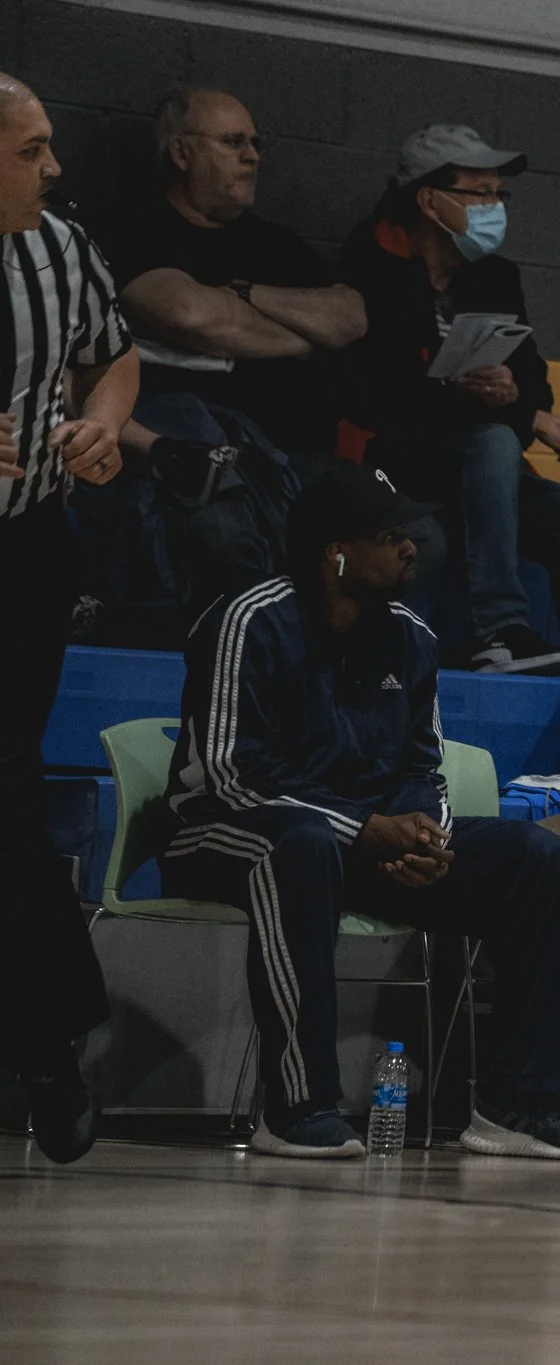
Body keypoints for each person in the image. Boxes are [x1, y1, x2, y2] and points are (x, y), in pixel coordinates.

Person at [159, 461, 560, 1160]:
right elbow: (226, 772)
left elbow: (418, 765)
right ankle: (297, 1106)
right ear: (335, 553)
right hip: (222, 834)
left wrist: (421, 834)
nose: (411, 547)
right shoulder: (249, 619)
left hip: (361, 844)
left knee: (534, 856)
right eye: (388, 534)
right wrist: (366, 829)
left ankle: (517, 1105)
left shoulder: (412, 636)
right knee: (300, 843)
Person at [76, 87, 407, 638]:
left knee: (405, 533)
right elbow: (191, 315)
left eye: (255, 143)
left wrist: (244, 293)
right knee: (222, 518)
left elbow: (349, 317)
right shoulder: (130, 228)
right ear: (181, 154)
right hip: (181, 443)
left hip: (286, 454)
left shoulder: (275, 245)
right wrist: (300, 337)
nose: (252, 155)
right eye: (233, 142)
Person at [338, 123, 560, 676]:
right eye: (480, 194)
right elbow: (378, 394)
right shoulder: (370, 268)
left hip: (484, 477)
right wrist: (503, 408)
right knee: (490, 438)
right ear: (429, 200)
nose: (495, 207)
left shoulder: (495, 278)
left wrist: (515, 394)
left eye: (498, 194)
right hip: (402, 472)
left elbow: (533, 378)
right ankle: (499, 632)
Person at [0, 73, 138, 1165]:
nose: (54, 169)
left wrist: (99, 424)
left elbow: (116, 354)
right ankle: (49, 1039)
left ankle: (46, 1046)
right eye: (32, 150)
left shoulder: (59, 248)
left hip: (24, 548)